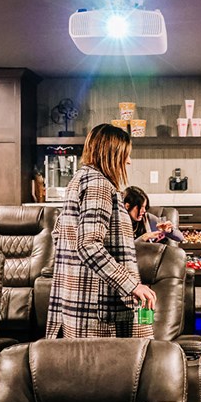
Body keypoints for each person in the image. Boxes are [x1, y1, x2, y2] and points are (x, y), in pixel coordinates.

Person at [46, 123, 158, 339]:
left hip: (76, 302)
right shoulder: (99, 184)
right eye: (125, 155)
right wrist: (132, 285)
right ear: (111, 154)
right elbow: (88, 245)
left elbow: (58, 235)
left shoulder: (78, 180)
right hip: (99, 311)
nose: (129, 161)